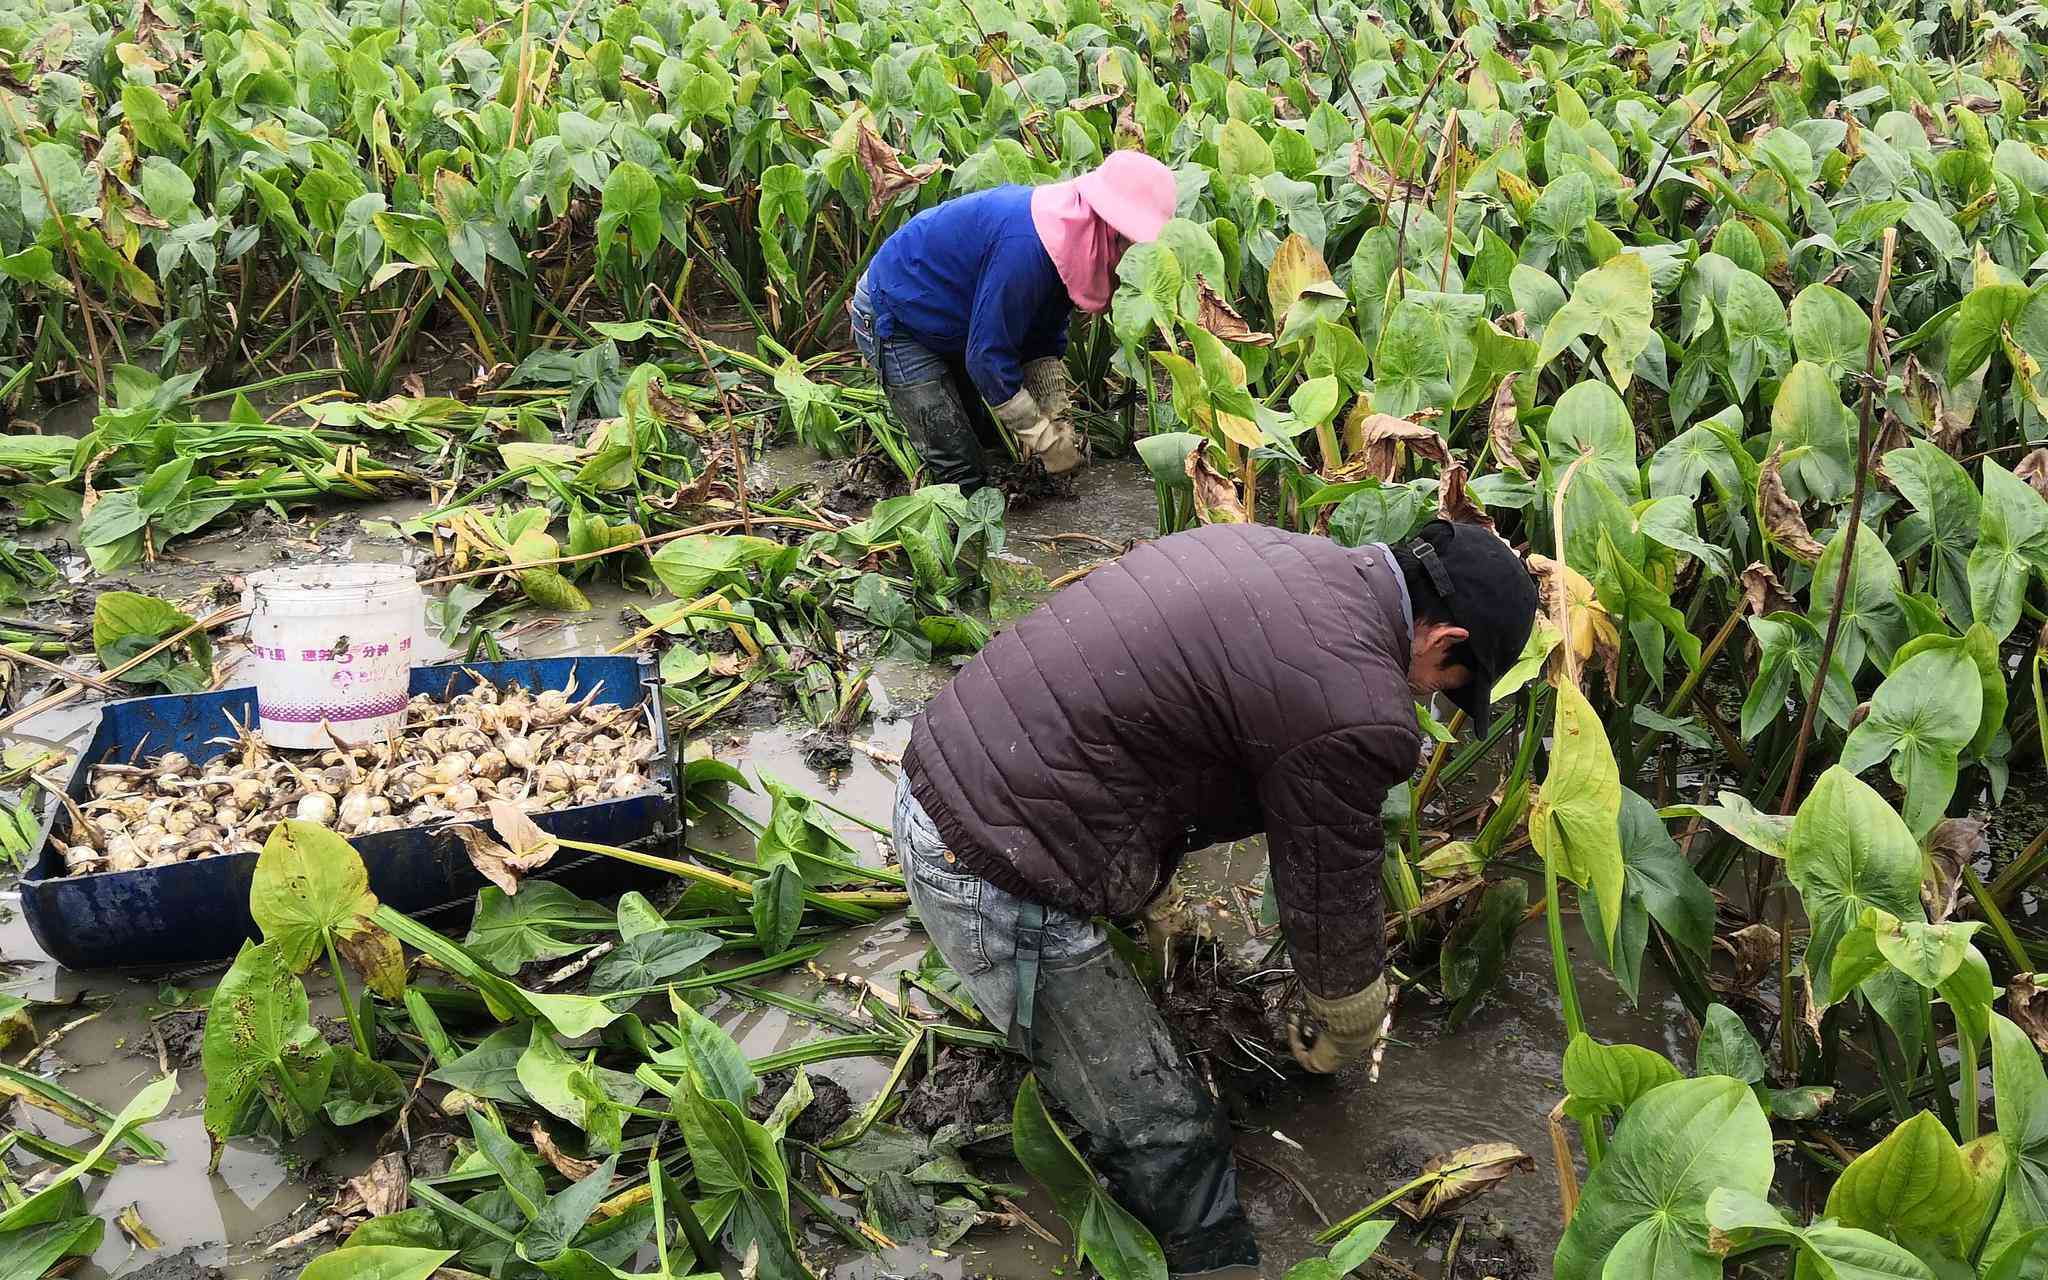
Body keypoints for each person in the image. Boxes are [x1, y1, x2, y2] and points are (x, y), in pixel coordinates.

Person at [891, 519, 1540, 1275]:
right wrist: (1349, 1022)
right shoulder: (1357, 704)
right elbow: (1329, 892)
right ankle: (1213, 1260)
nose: (1432, 699)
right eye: (1449, 684)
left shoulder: (1279, 550)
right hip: (986, 868)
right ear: (1443, 640)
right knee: (1173, 1133)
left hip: (944, 769)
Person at [849, 150, 1177, 493]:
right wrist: (1044, 440)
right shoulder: (1029, 247)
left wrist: (1056, 415)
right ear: (1109, 228)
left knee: (989, 438)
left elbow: (1043, 336)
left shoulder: (1073, 243)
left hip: (955, 316)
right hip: (897, 313)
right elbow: (987, 359)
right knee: (960, 470)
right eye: (1131, 243)